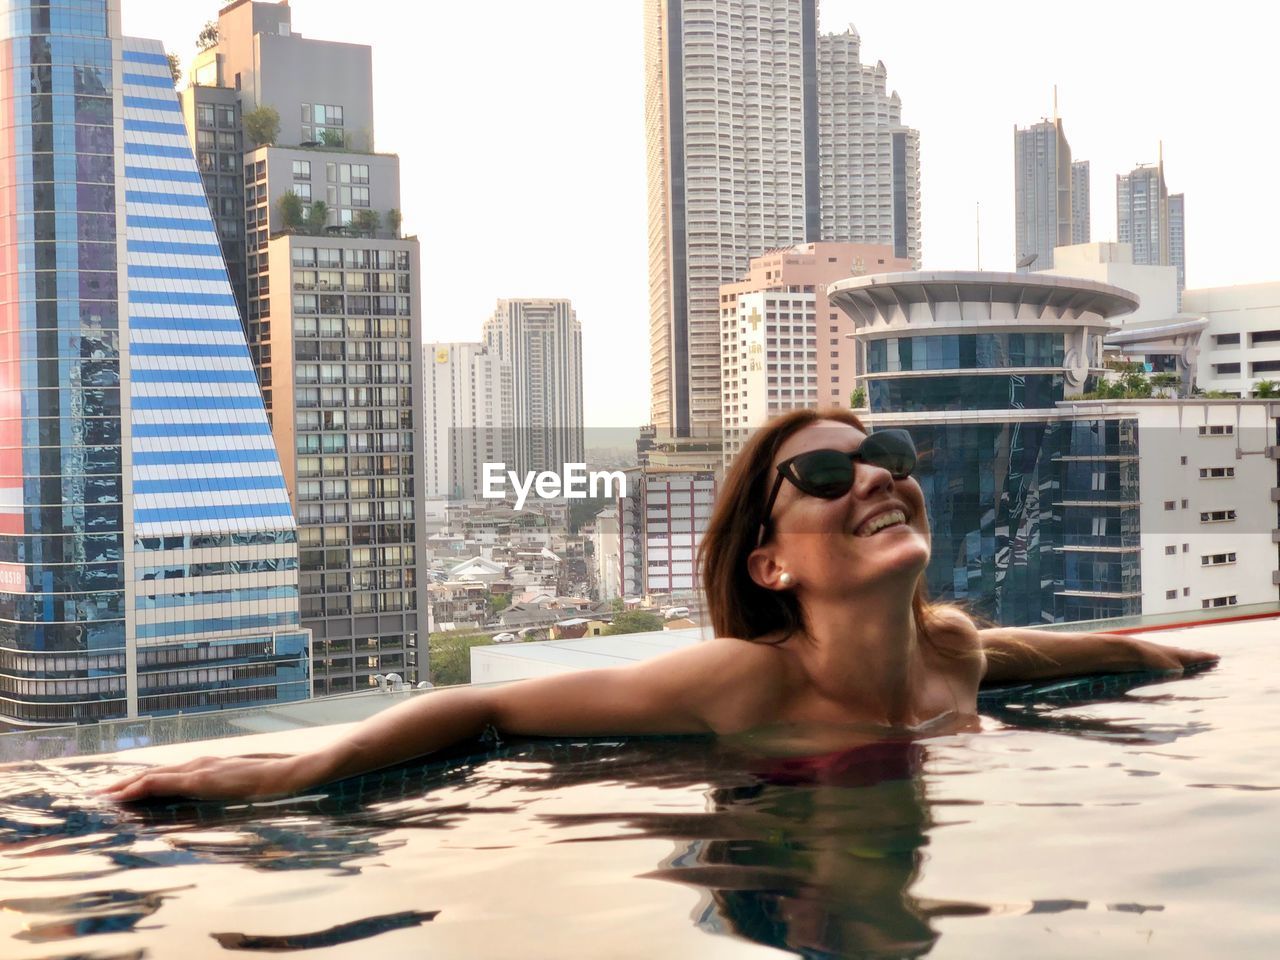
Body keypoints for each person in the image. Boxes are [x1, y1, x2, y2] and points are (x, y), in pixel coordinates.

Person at [102, 409, 1216, 803]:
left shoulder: (950, 653)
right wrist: (294, 768)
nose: (873, 476)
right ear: (769, 566)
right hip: (778, 870)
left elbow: (1041, 650)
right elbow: (493, 714)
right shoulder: (745, 679)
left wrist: (1171, 664)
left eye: (879, 455)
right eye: (825, 478)